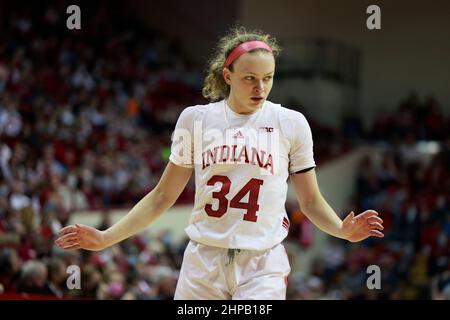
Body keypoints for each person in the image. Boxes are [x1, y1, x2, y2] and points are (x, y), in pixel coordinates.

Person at [55, 27, 384, 300]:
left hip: (261, 263)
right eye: (250, 78)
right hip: (203, 260)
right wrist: (105, 238)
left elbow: (310, 201)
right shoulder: (195, 119)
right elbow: (162, 196)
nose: (260, 87)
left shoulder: (291, 123)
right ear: (227, 75)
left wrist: (342, 230)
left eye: (268, 78)